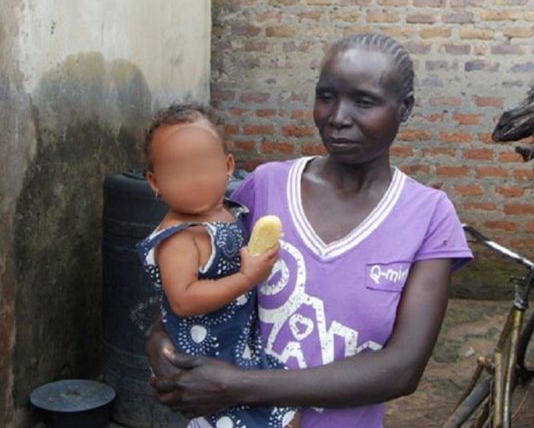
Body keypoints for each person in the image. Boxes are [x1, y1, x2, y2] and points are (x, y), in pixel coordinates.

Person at [146, 33, 474, 428]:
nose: (338, 116)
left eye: (364, 101)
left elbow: (402, 369)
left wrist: (238, 385)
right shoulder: (265, 188)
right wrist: (165, 355)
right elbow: (186, 302)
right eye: (326, 96)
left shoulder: (429, 216)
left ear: (405, 108)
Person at [136, 105, 297, 428]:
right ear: (155, 182)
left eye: (204, 165)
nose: (194, 178)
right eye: (178, 170)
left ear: (227, 166)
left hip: (239, 343)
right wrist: (247, 277)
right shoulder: (179, 238)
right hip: (210, 352)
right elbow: (183, 299)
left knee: (286, 415)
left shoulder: (226, 211)